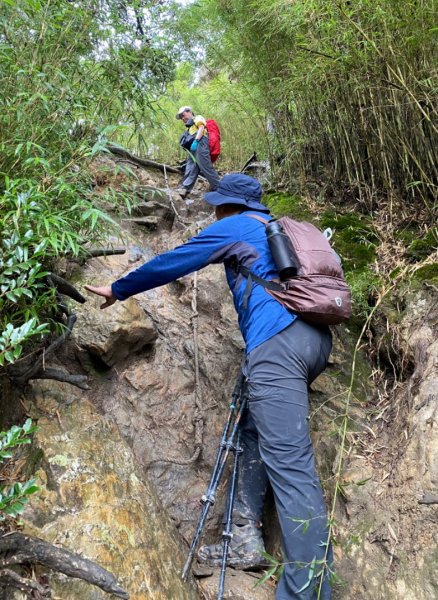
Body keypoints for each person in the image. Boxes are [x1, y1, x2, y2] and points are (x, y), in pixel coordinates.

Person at [84, 173, 333, 600]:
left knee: (293, 470)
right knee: (254, 435)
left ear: (230, 206)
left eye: (218, 203)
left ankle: (305, 593)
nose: (214, 209)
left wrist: (120, 288)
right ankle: (243, 537)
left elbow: (178, 259)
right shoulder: (283, 232)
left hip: (278, 348)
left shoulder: (237, 226)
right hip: (313, 342)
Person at [176, 106, 220, 198]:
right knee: (190, 167)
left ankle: (220, 188)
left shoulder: (197, 118)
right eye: (181, 117)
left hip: (201, 143)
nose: (182, 118)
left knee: (205, 167)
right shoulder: (190, 126)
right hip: (193, 147)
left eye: (183, 115)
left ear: (189, 112)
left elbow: (201, 127)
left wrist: (196, 141)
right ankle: (185, 189)